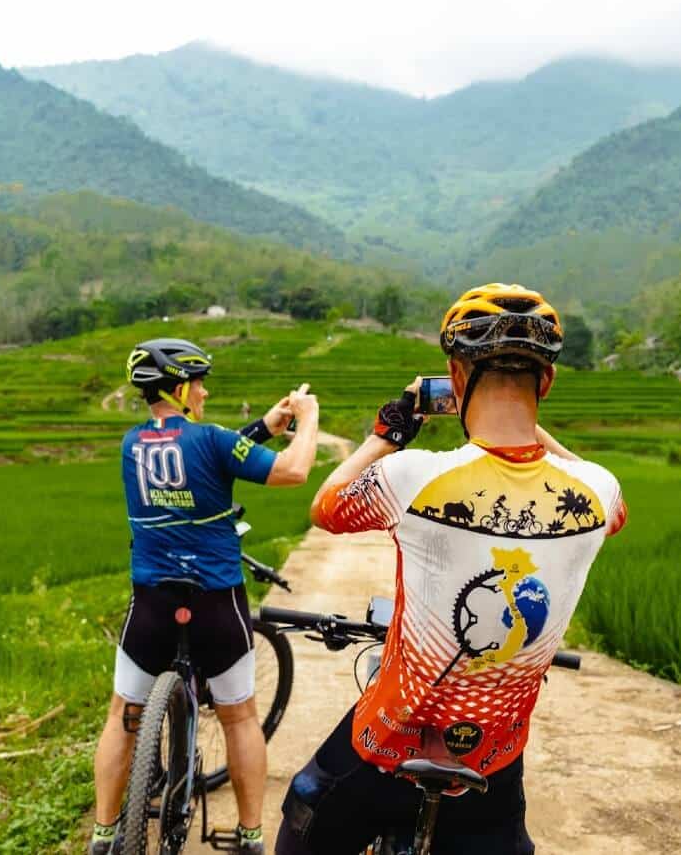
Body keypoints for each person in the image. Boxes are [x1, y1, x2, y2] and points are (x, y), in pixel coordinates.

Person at [277, 284, 627, 855]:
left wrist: (389, 430)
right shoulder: (599, 491)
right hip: (493, 763)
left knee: (306, 811)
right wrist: (529, 427)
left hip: (386, 750)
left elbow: (327, 506)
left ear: (455, 377)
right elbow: (609, 503)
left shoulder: (414, 476)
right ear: (548, 382)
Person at [89, 338, 320, 855]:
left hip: (151, 602)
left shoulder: (132, 444)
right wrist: (307, 418)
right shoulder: (212, 439)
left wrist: (264, 426)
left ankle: (103, 835)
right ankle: (251, 834)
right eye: (198, 382)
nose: (205, 390)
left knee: (121, 713)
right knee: (239, 716)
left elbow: (201, 453)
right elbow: (293, 471)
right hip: (216, 601)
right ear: (177, 387)